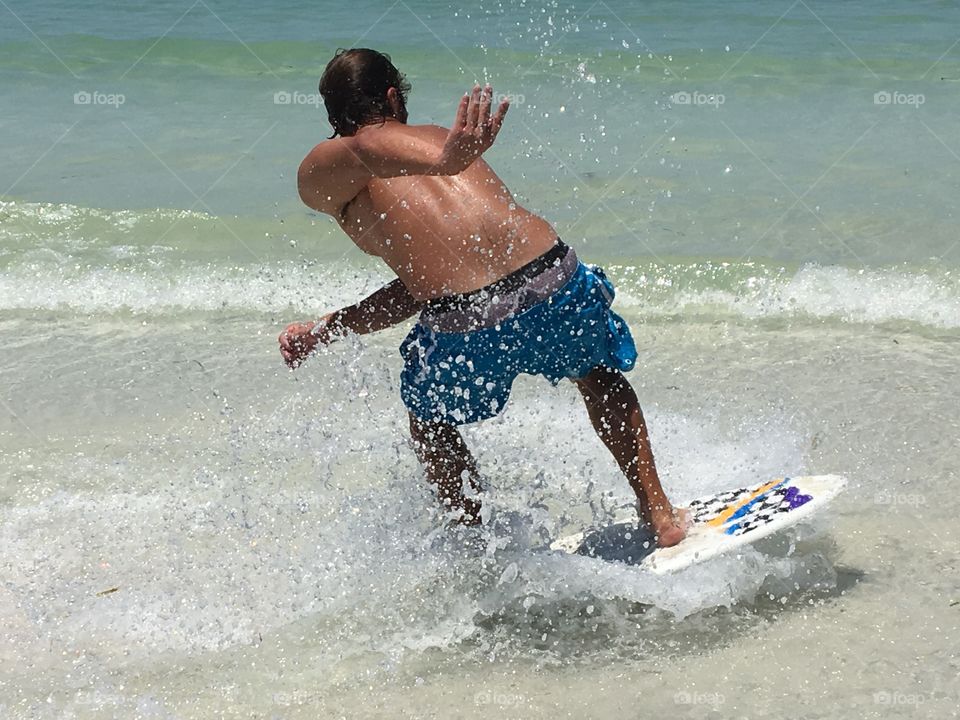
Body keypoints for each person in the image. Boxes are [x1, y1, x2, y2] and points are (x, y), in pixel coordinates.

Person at [278, 48, 688, 547]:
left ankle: (474, 547)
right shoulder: (439, 142)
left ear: (331, 112)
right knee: (598, 375)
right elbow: (419, 279)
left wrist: (325, 330)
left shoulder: (326, 171)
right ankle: (659, 514)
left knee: (429, 422)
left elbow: (364, 158)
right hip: (552, 277)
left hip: (466, 318)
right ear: (392, 96)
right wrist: (329, 327)